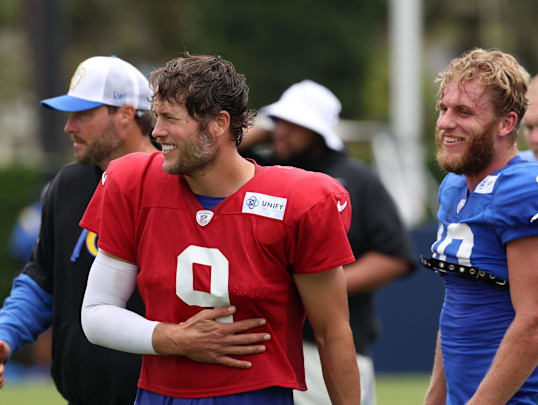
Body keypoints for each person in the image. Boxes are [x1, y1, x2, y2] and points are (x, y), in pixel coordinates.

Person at [79, 53, 361, 404]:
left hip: (255, 395)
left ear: (218, 123)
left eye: (169, 118)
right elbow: (95, 313)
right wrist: (176, 338)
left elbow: (332, 332)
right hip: (159, 395)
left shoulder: (300, 199)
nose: (156, 132)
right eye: (156, 117)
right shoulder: (132, 181)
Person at [0, 55, 270, 404]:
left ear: (126, 115)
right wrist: (5, 334)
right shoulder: (68, 185)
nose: (69, 127)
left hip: (166, 393)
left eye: (83, 115)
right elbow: (41, 280)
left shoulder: (187, 180)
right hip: (83, 396)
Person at [239, 80, 415, 405]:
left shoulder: (357, 179)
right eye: (278, 121)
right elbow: (219, 149)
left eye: (294, 124)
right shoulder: (265, 171)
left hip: (325, 350)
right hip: (267, 346)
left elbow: (395, 256)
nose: (281, 130)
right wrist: (268, 130)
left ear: (317, 131)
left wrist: (319, 289)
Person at [422, 48, 538, 405]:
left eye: (464, 111)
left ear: (506, 123)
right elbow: (458, 305)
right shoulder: (454, 186)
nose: (445, 123)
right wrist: (436, 397)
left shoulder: (530, 189)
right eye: (444, 109)